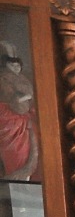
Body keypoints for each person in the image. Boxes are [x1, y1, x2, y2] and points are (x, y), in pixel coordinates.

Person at [0, 42, 39, 181]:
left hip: (17, 121)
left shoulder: (21, 79)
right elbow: (16, 103)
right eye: (12, 64)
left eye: (18, 65)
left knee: (24, 155)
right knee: (17, 155)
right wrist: (26, 99)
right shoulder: (4, 79)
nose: (16, 67)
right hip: (11, 122)